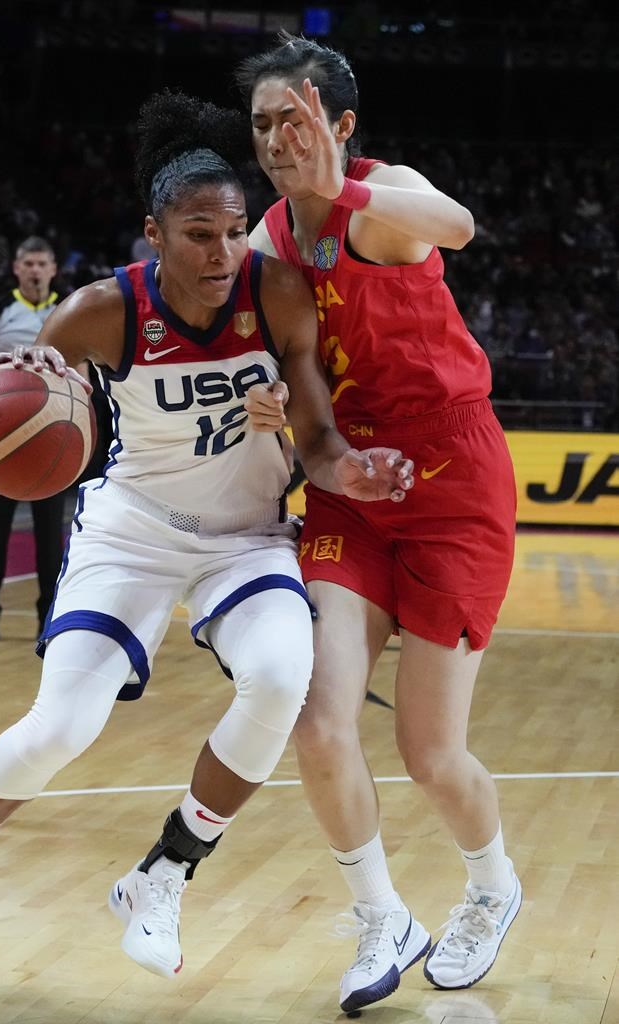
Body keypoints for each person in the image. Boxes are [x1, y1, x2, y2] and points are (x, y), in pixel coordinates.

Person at [0, 91, 414, 973]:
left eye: (232, 230)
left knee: (279, 678)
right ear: (153, 235)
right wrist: (28, 371)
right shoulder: (97, 310)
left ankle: (164, 874)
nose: (221, 250)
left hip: (246, 536)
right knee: (60, 726)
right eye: (197, 233)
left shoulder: (277, 295)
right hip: (135, 531)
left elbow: (318, 439)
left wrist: (351, 471)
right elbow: (33, 373)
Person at [234, 33, 521, 1011]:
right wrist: (276, 401)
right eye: (266, 121)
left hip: (452, 486)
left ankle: (491, 885)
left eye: (298, 118)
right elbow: (289, 364)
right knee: (318, 722)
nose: (279, 137)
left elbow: (460, 222)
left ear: (342, 126)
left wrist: (343, 186)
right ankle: (380, 915)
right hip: (353, 491)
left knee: (429, 752)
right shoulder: (273, 240)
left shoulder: (383, 198)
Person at [0, 236, 67, 642]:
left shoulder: (69, 309)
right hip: (0, 434)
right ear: (17, 268)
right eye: (30, 264)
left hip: (54, 434)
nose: (36, 270)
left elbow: (83, 368)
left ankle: (50, 618)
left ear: (53, 268)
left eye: (43, 263)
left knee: (49, 535)